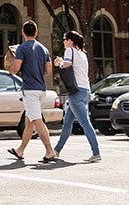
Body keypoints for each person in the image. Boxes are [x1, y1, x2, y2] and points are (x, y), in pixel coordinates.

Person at [7, 20, 58, 163]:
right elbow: (48, 71)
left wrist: (11, 71)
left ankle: (49, 151)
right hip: (42, 90)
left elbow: (16, 68)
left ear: (23, 32)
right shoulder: (44, 49)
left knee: (37, 120)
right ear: (36, 33)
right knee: (29, 121)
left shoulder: (22, 48)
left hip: (30, 91)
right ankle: (20, 150)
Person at [53, 31, 101, 163]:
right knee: (67, 123)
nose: (63, 42)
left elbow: (67, 66)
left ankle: (96, 152)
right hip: (85, 91)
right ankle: (56, 151)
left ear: (69, 41)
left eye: (64, 39)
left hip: (76, 92)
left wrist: (59, 63)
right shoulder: (82, 54)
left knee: (85, 123)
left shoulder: (70, 51)